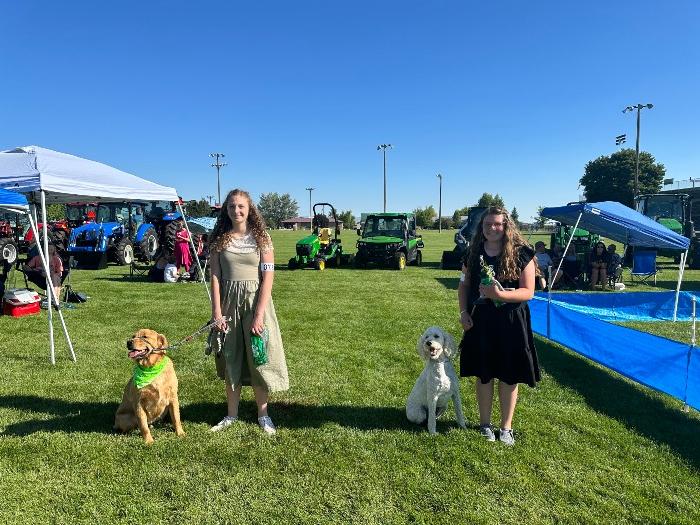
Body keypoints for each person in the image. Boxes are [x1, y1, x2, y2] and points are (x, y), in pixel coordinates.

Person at [209, 189, 289, 435]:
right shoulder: (219, 239)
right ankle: (231, 414)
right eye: (232, 206)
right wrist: (216, 312)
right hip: (229, 305)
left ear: (249, 208)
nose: (236, 211)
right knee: (231, 357)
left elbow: (268, 277)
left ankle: (263, 415)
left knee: (258, 358)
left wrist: (258, 314)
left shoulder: (262, 238)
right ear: (227, 209)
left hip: (257, 303)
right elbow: (215, 277)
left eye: (241, 206)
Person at [458, 206, 540, 446]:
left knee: (509, 374)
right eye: (487, 225)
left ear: (506, 226)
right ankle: (485, 425)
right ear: (481, 228)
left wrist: (500, 295)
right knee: (484, 374)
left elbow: (529, 292)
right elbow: (463, 286)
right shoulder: (472, 254)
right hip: (481, 321)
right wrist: (463, 312)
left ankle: (506, 428)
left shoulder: (522, 253)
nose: (492, 228)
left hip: (512, 322)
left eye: (497, 224)